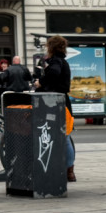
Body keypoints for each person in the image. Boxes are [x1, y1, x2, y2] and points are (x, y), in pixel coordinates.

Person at [36, 38, 75, 181]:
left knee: (64, 137)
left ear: (51, 47)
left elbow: (54, 73)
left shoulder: (56, 61)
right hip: (62, 102)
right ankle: (68, 170)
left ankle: (69, 171)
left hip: (56, 104)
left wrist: (40, 82)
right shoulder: (62, 61)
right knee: (64, 136)